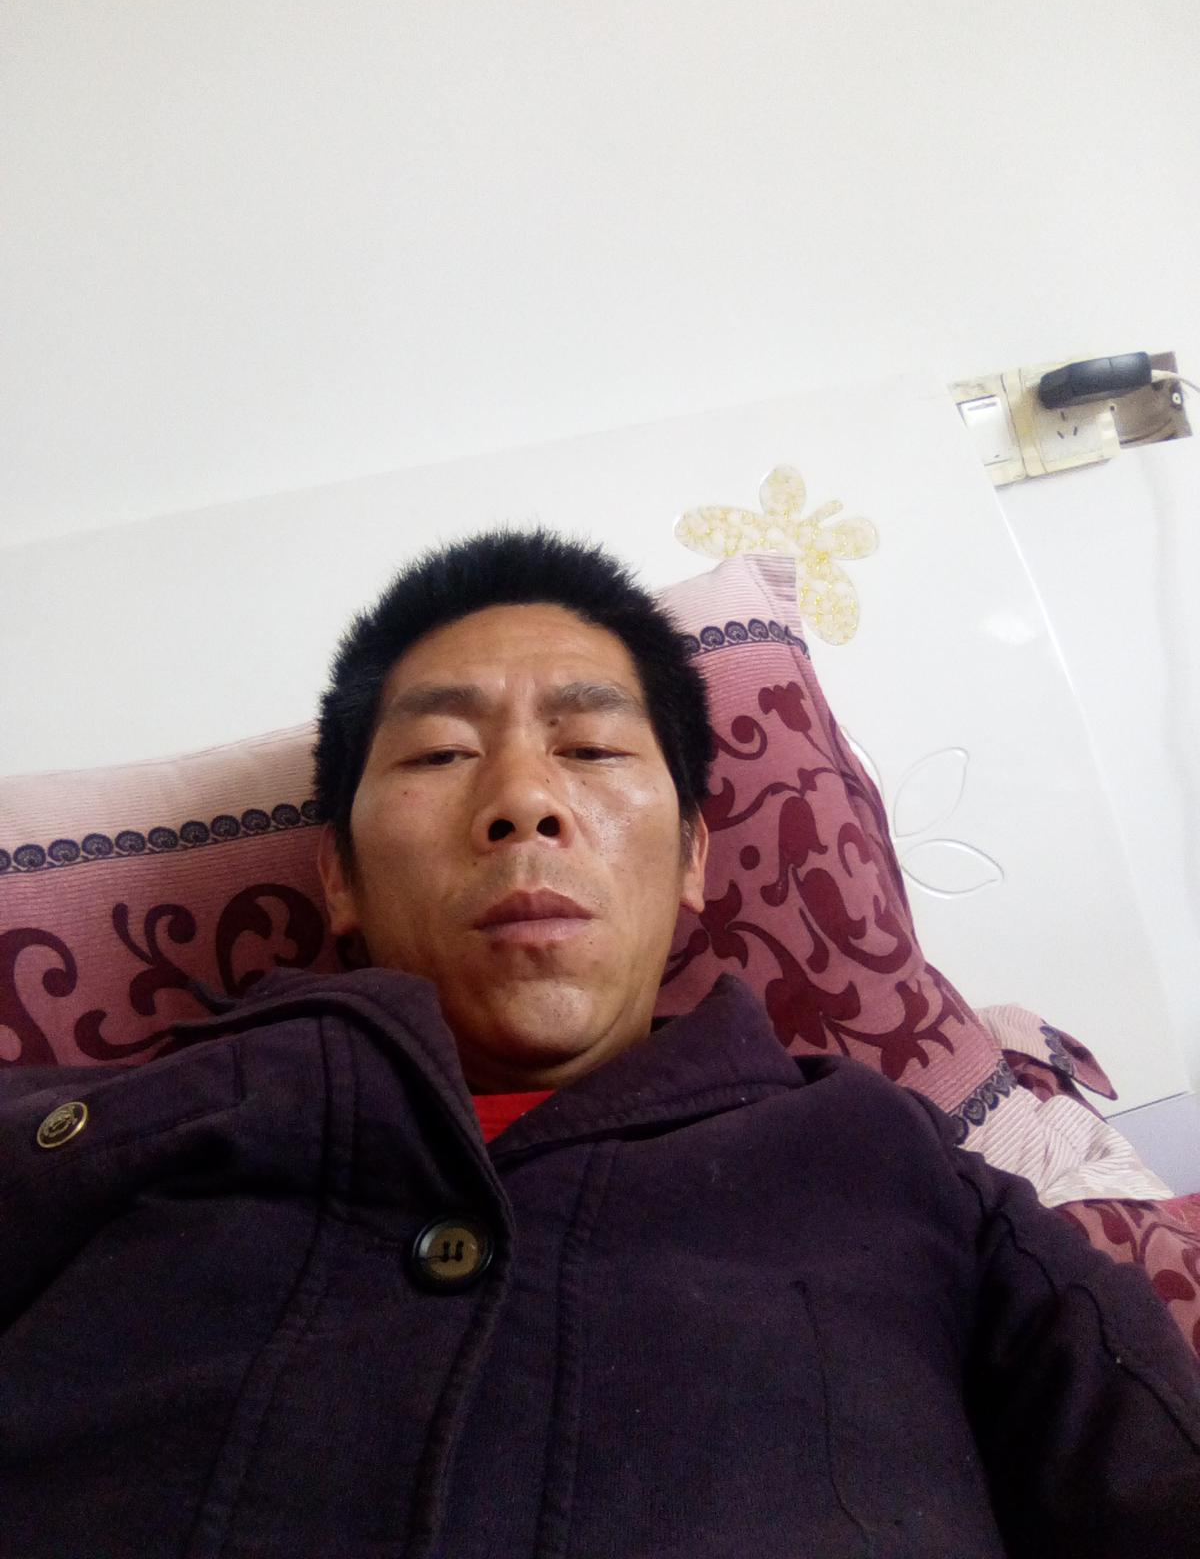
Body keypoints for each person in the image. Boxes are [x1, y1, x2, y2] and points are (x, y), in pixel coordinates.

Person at [2, 527, 1198, 1559]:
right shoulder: (95, 1134)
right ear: (339, 878)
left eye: (591, 749)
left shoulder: (896, 1160)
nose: (524, 800)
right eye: (440, 753)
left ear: (693, 857)